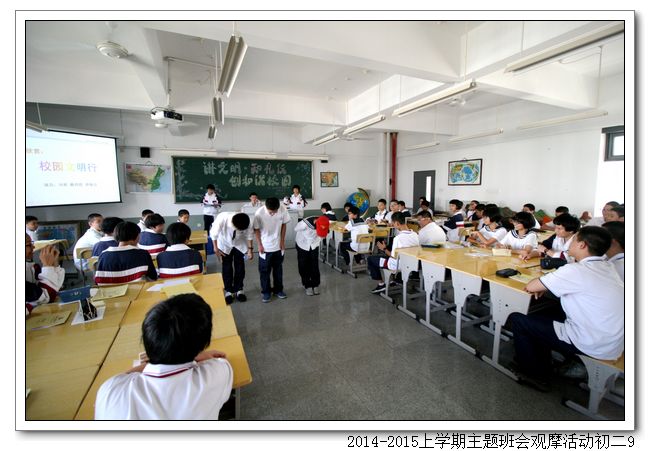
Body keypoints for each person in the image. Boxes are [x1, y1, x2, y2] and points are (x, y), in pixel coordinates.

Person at [509, 226, 624, 391]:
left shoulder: (576, 270)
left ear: (582, 245)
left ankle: (534, 374)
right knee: (546, 314)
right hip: (612, 341)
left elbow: (531, 286)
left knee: (519, 320)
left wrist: (543, 285)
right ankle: (544, 362)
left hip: (592, 343)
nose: (569, 244)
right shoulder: (608, 267)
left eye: (574, 240)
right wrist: (547, 286)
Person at [95, 293, 233, 420]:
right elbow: (222, 362)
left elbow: (123, 377)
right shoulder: (216, 374)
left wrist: (157, 358)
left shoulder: (109, 392)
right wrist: (195, 357)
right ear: (202, 344)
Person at [368, 212, 420, 294]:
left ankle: (381, 284)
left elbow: (393, 257)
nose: (393, 225)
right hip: (411, 264)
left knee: (371, 259)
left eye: (393, 223)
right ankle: (396, 280)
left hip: (397, 265)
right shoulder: (415, 235)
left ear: (397, 223)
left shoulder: (398, 238)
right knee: (386, 255)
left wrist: (384, 249)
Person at [210, 212, 254, 304]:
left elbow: (249, 235)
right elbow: (213, 234)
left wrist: (250, 250)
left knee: (240, 267)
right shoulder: (222, 218)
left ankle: (239, 289)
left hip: (239, 244)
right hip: (224, 244)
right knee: (227, 267)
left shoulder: (246, 220)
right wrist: (215, 248)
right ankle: (229, 291)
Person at [254, 197, 291, 302]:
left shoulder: (282, 209)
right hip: (265, 247)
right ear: (266, 207)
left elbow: (284, 225)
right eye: (271, 212)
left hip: (278, 247)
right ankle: (266, 292)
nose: (273, 213)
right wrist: (259, 245)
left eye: (275, 211)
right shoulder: (259, 213)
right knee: (264, 271)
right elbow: (256, 230)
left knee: (278, 270)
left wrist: (282, 241)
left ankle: (278, 290)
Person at [25, 234, 64, 313]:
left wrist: (54, 264)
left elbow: (55, 288)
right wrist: (48, 266)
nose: (33, 247)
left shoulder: (31, 267)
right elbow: (46, 297)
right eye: (28, 245)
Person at [295, 215, 330, 296]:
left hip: (314, 245)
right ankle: (307, 285)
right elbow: (296, 229)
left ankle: (315, 284)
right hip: (302, 244)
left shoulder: (324, 222)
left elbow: (323, 232)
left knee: (314, 265)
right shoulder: (304, 224)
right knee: (303, 265)